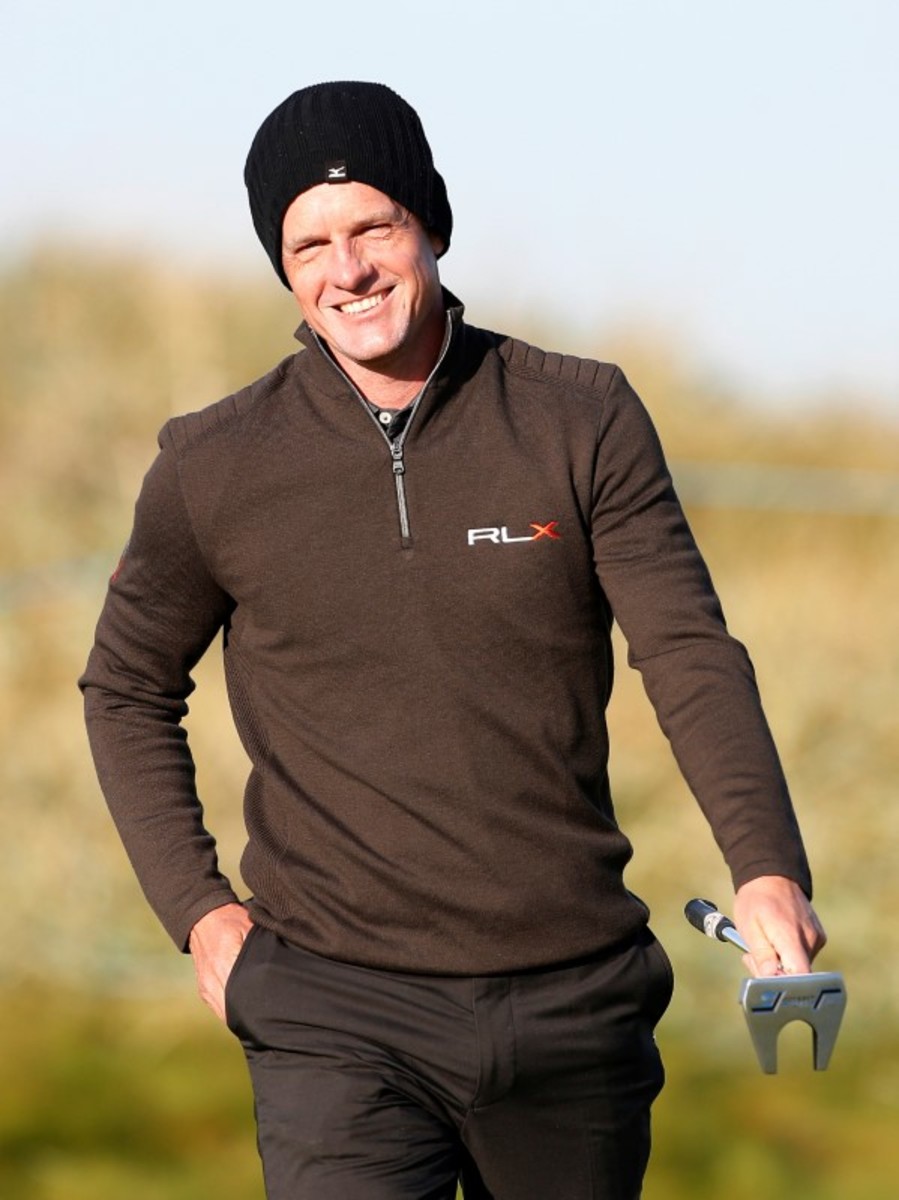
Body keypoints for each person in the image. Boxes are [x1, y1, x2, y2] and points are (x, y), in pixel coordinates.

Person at [80, 81, 826, 1200]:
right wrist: (199, 913)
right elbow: (125, 689)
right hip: (333, 1012)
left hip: (573, 1004)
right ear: (283, 266)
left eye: (373, 228)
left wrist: (765, 866)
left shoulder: (581, 418)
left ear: (428, 224)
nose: (348, 270)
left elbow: (686, 650)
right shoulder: (212, 463)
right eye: (309, 245)